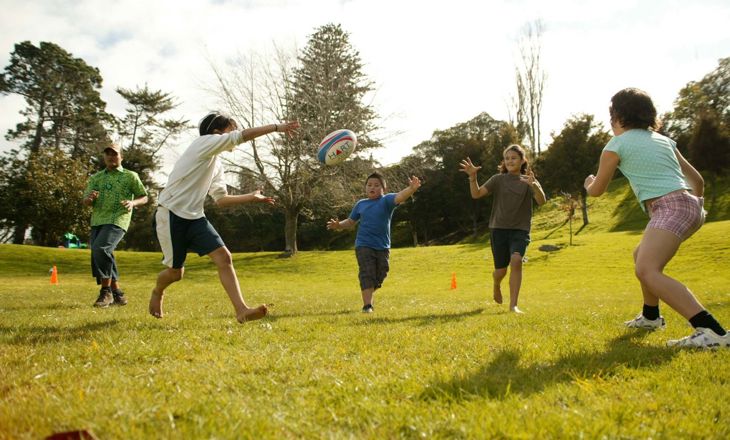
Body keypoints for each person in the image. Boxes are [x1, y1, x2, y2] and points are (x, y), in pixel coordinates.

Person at [584, 87, 728, 348]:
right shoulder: (664, 140)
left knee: (647, 269)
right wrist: (693, 207)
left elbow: (598, 190)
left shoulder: (616, 144)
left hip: (670, 207)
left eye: (611, 117)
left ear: (617, 117)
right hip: (689, 204)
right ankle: (651, 317)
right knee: (641, 256)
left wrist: (588, 183)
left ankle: (712, 330)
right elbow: (697, 180)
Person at [149, 112, 299, 323]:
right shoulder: (204, 143)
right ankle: (157, 291)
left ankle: (242, 310)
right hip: (171, 213)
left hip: (195, 217)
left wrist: (251, 198)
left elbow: (220, 199)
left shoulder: (216, 162)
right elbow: (241, 136)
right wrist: (276, 127)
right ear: (217, 132)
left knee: (224, 257)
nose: (234, 135)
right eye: (230, 129)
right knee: (176, 273)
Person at [459, 145, 546, 313]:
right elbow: (476, 194)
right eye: (507, 158)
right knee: (500, 270)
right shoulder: (498, 179)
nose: (510, 161)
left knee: (516, 260)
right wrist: (472, 177)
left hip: (520, 230)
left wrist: (534, 185)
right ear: (504, 162)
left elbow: (542, 201)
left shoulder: (529, 180)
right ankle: (496, 284)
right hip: (498, 229)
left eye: (513, 158)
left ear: (522, 161)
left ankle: (513, 305)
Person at [327, 172, 421, 313]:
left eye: (377, 185)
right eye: (369, 185)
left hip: (383, 246)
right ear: (365, 187)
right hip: (363, 244)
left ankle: (368, 289)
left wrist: (411, 189)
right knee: (367, 272)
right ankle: (367, 306)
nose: (372, 187)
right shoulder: (360, 204)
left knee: (382, 272)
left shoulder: (386, 201)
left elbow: (399, 196)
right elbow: (351, 221)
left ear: (383, 189)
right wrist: (339, 225)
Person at [83, 143, 148, 307]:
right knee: (101, 254)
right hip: (98, 220)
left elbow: (144, 197)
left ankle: (106, 293)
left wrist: (133, 203)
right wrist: (90, 199)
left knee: (101, 249)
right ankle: (118, 294)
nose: (111, 157)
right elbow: (86, 201)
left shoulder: (130, 176)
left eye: (115, 154)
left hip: (118, 219)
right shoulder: (96, 178)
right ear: (104, 157)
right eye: (108, 154)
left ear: (121, 157)